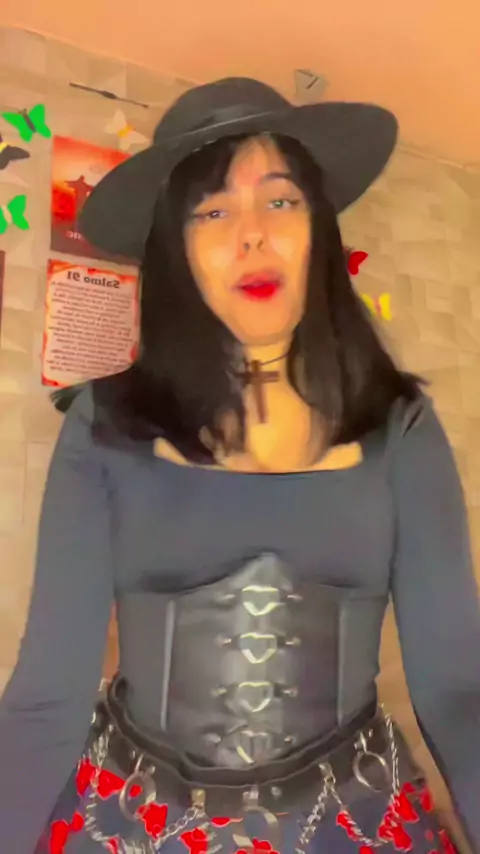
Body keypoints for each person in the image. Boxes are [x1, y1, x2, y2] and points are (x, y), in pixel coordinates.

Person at [0, 77, 478, 854]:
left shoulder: (403, 427)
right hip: (128, 823)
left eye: (281, 200)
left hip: (356, 822)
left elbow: (459, 689)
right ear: (177, 252)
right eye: (213, 212)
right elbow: (47, 697)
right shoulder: (104, 424)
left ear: (319, 229)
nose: (252, 234)